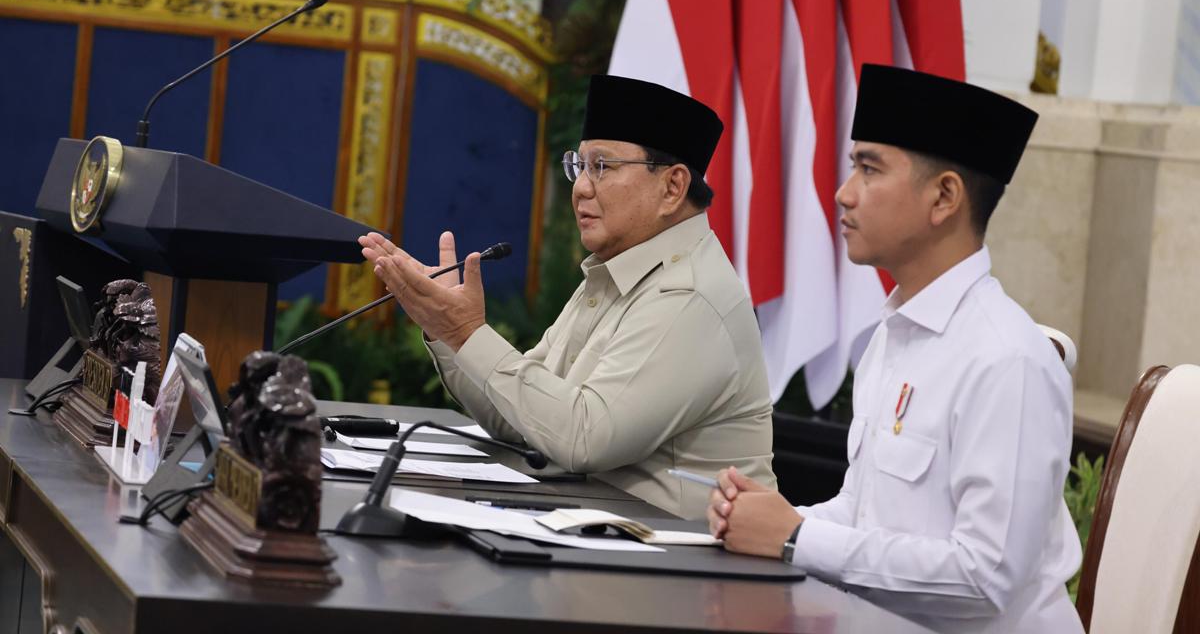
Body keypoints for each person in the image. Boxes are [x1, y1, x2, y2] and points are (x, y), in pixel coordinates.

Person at [707, 65, 1082, 634]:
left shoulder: (1008, 358)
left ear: (944, 197)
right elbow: (863, 512)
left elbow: (985, 580)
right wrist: (766, 520)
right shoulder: (893, 333)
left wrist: (795, 538)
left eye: (869, 168)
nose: (843, 193)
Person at [361, 74, 776, 518]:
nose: (580, 187)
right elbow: (519, 420)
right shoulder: (616, 269)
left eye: (602, 166)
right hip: (598, 536)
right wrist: (445, 329)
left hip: (683, 561)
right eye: (579, 166)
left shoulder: (690, 295)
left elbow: (584, 439)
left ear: (672, 188)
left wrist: (466, 332)